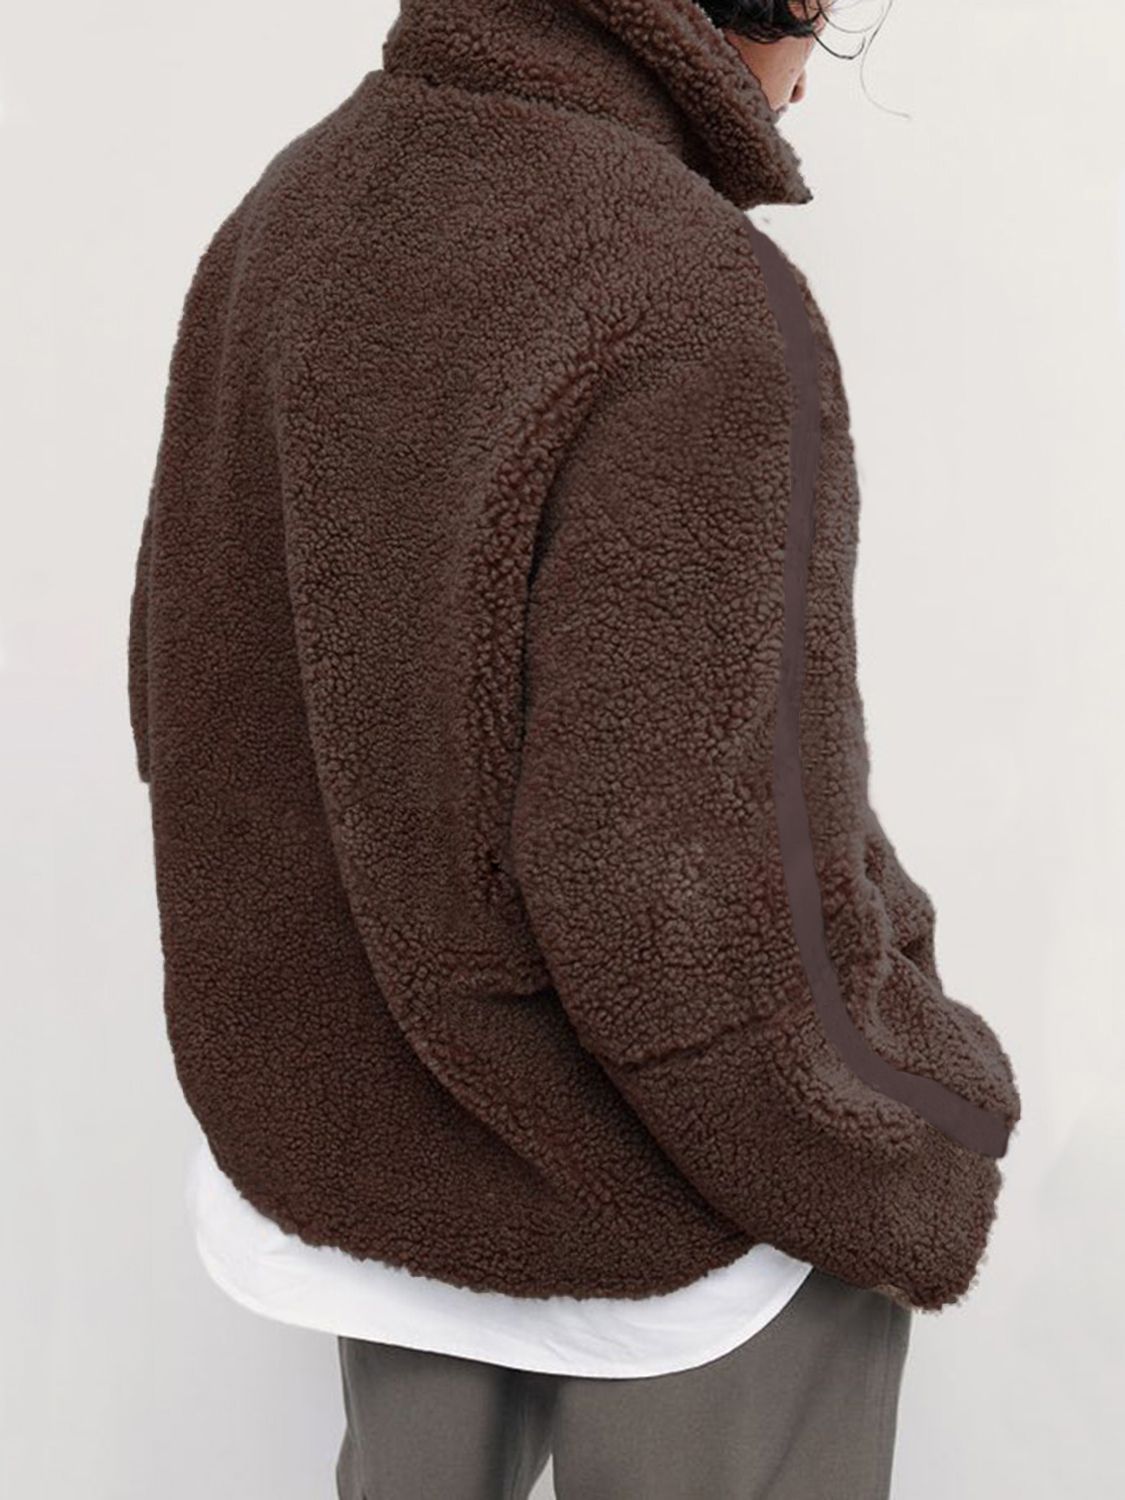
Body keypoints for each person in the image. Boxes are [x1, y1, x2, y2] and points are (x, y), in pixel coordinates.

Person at [127, 1, 1023, 1495]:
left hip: (352, 1168)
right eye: (822, 19)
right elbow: (682, 891)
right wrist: (914, 1120)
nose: (810, 73)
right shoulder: (689, 288)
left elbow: (191, 696)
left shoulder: (291, 210)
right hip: (671, 1205)